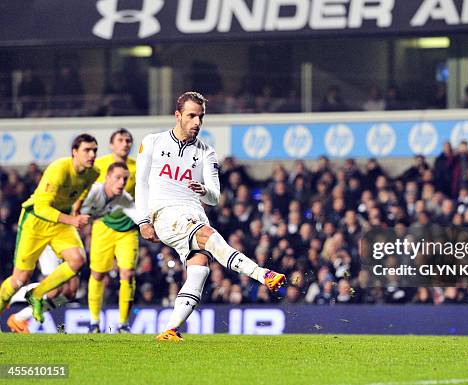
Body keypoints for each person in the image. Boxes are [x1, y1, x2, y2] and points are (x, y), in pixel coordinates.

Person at [135, 91, 286, 342]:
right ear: (177, 115)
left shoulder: (206, 152)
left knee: (200, 269)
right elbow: (140, 183)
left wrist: (205, 190)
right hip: (166, 214)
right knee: (209, 236)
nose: (197, 122)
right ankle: (263, 275)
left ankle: (169, 330)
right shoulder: (152, 142)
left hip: (194, 214)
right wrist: (142, 221)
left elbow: (215, 197)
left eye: (201, 117)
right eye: (191, 116)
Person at [6, 162, 137, 333]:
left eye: (125, 179)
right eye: (118, 178)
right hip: (51, 232)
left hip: (67, 238)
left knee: (70, 293)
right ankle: (11, 297)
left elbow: (139, 216)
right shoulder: (92, 192)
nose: (122, 182)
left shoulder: (121, 199)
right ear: (107, 178)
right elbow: (64, 206)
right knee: (54, 291)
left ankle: (18, 318)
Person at [0, 134, 99, 323]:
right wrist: (72, 219)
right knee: (19, 279)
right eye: (87, 150)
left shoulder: (92, 172)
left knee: (77, 260)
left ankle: (37, 294)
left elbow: (83, 190)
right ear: (74, 152)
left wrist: (77, 208)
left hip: (60, 224)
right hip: (35, 222)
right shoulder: (59, 169)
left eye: (94, 150)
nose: (92, 154)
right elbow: (41, 207)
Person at [87, 128, 138, 334]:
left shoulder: (138, 166)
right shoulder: (98, 165)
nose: (125, 143)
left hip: (128, 229)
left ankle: (123, 323)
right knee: (98, 274)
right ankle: (94, 322)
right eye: (120, 140)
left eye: (128, 140)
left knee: (128, 273)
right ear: (111, 144)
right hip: (103, 226)